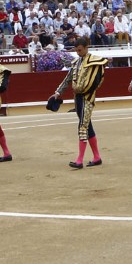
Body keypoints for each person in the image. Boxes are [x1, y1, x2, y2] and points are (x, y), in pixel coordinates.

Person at [50, 36, 108, 168]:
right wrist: (58, 93)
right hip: (78, 98)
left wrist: (84, 90)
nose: (78, 53)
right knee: (88, 126)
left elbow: (96, 82)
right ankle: (97, 157)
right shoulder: (76, 62)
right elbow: (68, 79)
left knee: (82, 127)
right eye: (76, 50)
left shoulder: (94, 61)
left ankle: (79, 160)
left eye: (80, 50)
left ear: (87, 47)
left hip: (87, 98)